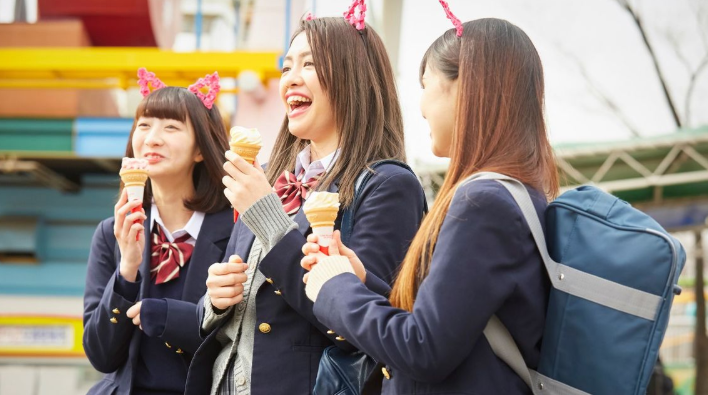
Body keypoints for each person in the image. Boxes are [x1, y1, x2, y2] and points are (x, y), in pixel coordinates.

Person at [301, 17, 560, 394]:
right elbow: (446, 325)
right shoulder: (514, 194)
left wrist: (336, 287)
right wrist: (361, 280)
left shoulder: (483, 203)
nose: (420, 106)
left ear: (466, 88)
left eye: (425, 86)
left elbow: (423, 349)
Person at [185, 14, 426, 395]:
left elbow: (369, 326)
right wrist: (214, 301)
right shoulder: (269, 177)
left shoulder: (389, 185)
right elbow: (243, 309)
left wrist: (267, 218)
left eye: (310, 64)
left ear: (353, 76)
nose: (291, 78)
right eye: (286, 67)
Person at [83, 71, 234, 395]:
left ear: (200, 149)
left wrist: (170, 318)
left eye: (171, 127)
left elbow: (244, 342)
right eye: (144, 125)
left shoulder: (237, 229)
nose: (152, 138)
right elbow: (101, 356)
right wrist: (127, 269)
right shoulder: (111, 233)